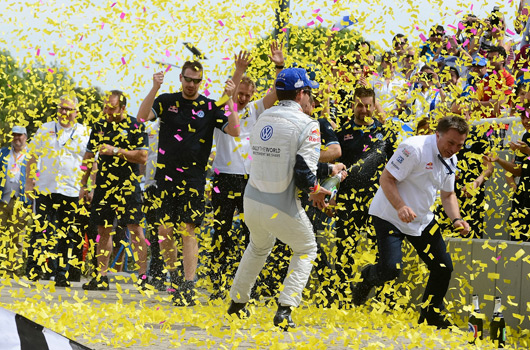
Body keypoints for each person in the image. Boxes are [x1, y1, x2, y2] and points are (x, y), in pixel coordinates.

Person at [227, 67, 346, 329]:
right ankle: (285, 309)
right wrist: (317, 190)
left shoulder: (262, 117)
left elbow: (286, 162)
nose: (311, 98)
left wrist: (327, 171)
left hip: (252, 199)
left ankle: (237, 302)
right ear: (302, 93)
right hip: (279, 203)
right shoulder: (308, 124)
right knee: (306, 248)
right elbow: (302, 172)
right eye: (309, 92)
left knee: (257, 247)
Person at [136, 60, 240, 306]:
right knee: (163, 231)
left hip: (193, 179)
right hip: (165, 177)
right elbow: (141, 118)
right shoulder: (166, 100)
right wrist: (154, 87)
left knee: (188, 230)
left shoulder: (210, 105)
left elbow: (234, 130)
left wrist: (231, 99)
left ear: (201, 82)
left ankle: (188, 284)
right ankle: (175, 277)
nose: (192, 84)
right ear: (181, 78)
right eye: (188, 79)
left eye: (196, 81)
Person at [351, 116, 471, 329]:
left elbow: (448, 195)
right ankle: (367, 277)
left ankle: (430, 316)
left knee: (443, 267)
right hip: (390, 215)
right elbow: (386, 179)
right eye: (450, 143)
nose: (454, 149)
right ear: (437, 134)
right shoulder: (413, 148)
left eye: (459, 145)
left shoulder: (452, 159)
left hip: (422, 220)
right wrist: (400, 207)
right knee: (391, 269)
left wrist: (457, 219)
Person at [209, 45, 284, 300]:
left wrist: (279, 66)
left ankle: (250, 284)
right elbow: (226, 95)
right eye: (239, 93)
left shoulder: (254, 110)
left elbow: (276, 93)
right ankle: (217, 284)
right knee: (221, 231)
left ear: (252, 95)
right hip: (223, 176)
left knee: (252, 233)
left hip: (250, 179)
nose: (242, 98)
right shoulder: (223, 108)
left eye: (246, 95)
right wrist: (239, 71)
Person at [333, 87, 397, 305]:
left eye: (368, 105)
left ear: (374, 105)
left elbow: (398, 166)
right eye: (360, 105)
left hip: (378, 201)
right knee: (344, 247)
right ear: (353, 105)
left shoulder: (387, 134)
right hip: (347, 200)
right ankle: (341, 295)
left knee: (380, 248)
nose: (364, 110)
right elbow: (333, 168)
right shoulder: (341, 133)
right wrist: (332, 195)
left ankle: (380, 297)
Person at [79, 90, 149, 290]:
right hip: (104, 184)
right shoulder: (99, 125)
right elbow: (89, 156)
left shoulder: (136, 125)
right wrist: (84, 184)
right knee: (103, 229)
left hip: (128, 184)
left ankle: (143, 277)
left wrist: (116, 151)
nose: (107, 111)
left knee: (134, 229)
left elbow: (142, 156)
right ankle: (101, 276)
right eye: (105, 107)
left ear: (123, 108)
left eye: (112, 108)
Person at [25, 95, 90, 286]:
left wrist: (88, 187)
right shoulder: (45, 129)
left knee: (67, 234)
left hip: (71, 190)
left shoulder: (84, 132)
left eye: (68, 109)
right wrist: (29, 184)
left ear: (76, 112)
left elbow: (90, 162)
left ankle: (62, 274)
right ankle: (34, 271)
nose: (64, 112)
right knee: (40, 231)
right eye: (61, 108)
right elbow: (32, 157)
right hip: (45, 188)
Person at [484, 103, 530, 241]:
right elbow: (519, 171)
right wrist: (498, 160)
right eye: (524, 116)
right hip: (524, 197)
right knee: (518, 242)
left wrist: (528, 151)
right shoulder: (526, 137)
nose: (526, 121)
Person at [0, 126, 30, 276]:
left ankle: (12, 269)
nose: (17, 138)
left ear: (25, 136)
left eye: (20, 135)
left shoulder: (32, 154)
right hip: (3, 199)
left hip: (21, 200)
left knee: (17, 237)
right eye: (14, 135)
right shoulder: (3, 152)